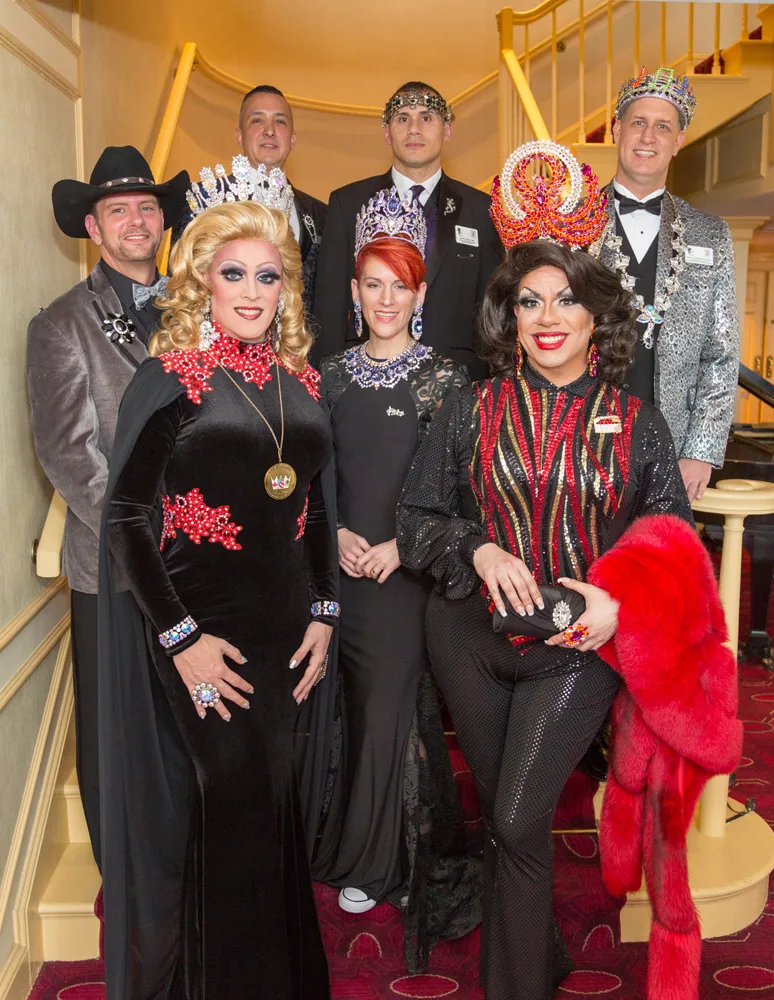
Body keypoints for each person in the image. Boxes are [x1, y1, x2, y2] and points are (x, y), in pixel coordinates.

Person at [397, 142, 741, 1000]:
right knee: (506, 824)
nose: (547, 317)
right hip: (469, 638)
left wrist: (620, 606)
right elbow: (415, 520)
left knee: (516, 817)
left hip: (577, 648)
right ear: (509, 317)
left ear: (596, 317)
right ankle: (539, 955)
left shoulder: (638, 420)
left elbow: (674, 546)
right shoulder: (469, 408)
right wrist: (478, 547)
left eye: (565, 300)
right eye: (529, 300)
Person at [97, 193, 338, 1000]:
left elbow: (316, 509)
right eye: (233, 273)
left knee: (270, 806)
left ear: (286, 289)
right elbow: (126, 519)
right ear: (203, 280)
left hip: (287, 636)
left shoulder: (301, 382)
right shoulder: (171, 379)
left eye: (268, 276)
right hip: (204, 632)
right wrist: (181, 639)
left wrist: (326, 613)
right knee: (234, 805)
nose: (251, 291)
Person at [312, 188, 479, 969]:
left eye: (400, 285)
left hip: (404, 580)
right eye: (372, 284)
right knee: (341, 706)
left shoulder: (446, 381)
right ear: (353, 290)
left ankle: (373, 862)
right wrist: (339, 532)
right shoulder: (327, 376)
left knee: (385, 710)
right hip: (338, 572)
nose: (386, 299)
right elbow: (315, 477)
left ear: (420, 293)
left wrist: (398, 548)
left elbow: (456, 490)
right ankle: (347, 836)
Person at [26, 145, 189, 868]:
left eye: (147, 207)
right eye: (118, 209)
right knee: (119, 736)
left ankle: (186, 867)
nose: (136, 220)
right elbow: (68, 453)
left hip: (201, 559)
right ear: (93, 228)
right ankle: (126, 877)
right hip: (114, 563)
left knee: (188, 723)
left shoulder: (201, 310)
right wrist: (146, 533)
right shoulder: (61, 324)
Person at [591, 66, 739, 502]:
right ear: (617, 129)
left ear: (678, 141)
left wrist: (701, 450)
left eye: (663, 127)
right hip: (582, 434)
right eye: (638, 122)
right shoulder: (573, 225)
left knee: (658, 547)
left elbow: (722, 352)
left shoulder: (711, 233)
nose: (648, 137)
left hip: (673, 445)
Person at [313, 81, 504, 377]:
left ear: (447, 130)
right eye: (403, 118)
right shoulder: (348, 204)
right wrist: (326, 383)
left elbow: (491, 310)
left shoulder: (481, 210)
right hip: (366, 377)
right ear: (387, 132)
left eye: (426, 118)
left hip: (459, 380)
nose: (414, 129)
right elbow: (330, 306)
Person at [172, 85, 326, 312]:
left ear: (293, 139)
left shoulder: (321, 215)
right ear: (240, 136)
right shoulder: (202, 201)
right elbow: (182, 287)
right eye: (257, 120)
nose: (270, 130)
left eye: (280, 121)